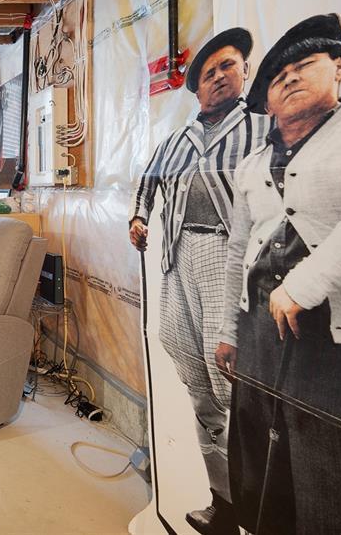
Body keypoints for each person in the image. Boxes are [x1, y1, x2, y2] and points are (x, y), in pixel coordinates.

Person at [215, 13, 341, 534]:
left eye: (305, 64)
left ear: (340, 67)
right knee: (258, 444)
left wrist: (305, 284)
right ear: (266, 102)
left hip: (331, 337)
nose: (290, 77)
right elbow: (236, 249)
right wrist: (230, 330)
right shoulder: (253, 163)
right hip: (259, 330)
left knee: (326, 457)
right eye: (277, 76)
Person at [130, 28, 270, 534]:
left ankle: (258, 509)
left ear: (245, 72)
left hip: (225, 254)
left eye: (227, 66)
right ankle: (223, 502)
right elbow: (147, 179)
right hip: (176, 254)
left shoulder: (262, 127)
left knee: (228, 380)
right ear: (196, 89)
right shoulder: (179, 140)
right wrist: (139, 217)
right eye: (208, 73)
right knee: (193, 377)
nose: (218, 77)